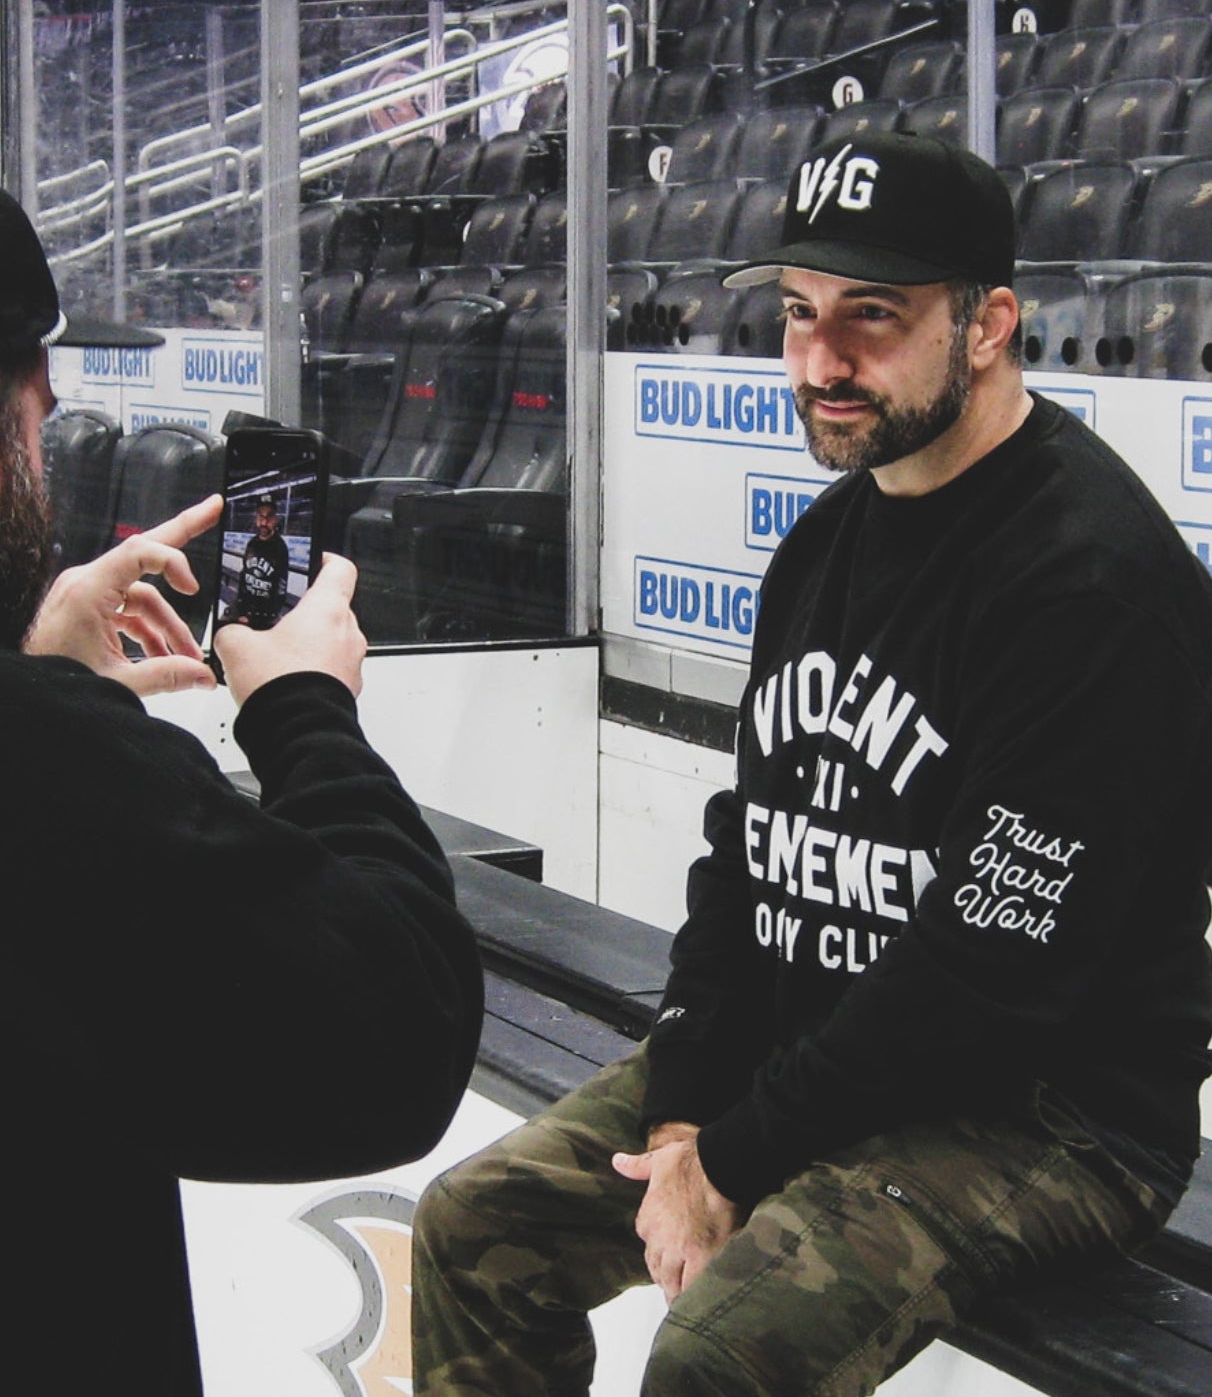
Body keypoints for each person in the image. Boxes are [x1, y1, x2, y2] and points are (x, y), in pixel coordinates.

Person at [412, 130, 1212, 1396]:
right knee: (475, 1223)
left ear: (990, 323)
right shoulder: (830, 540)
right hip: (824, 1038)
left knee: (722, 1360)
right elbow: (745, 851)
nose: (821, 362)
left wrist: (731, 1158)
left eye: (873, 319)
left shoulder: (1091, 587)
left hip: (1046, 1114)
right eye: (797, 315)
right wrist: (683, 1104)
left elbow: (986, 979)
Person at [0, 153, 483, 1395]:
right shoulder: (7, 765)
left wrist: (5, 669)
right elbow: (395, 1035)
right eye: (36, 422)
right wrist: (302, 710)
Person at [228, 494, 291, 627]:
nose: (264, 522)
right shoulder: (252, 544)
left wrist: (265, 618)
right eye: (261, 516)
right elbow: (244, 576)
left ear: (275, 519)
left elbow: (280, 588)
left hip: (265, 614)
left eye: (269, 517)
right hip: (245, 608)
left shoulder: (280, 548)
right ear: (256, 518)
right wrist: (241, 609)